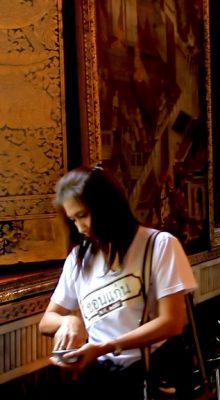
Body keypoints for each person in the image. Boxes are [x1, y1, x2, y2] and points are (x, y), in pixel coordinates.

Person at [38, 166, 198, 399]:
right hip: (102, 378)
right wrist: (68, 322)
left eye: (83, 215)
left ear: (106, 206)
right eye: (73, 220)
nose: (80, 228)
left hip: (152, 375)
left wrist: (107, 346)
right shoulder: (79, 260)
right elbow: (46, 321)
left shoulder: (159, 245)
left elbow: (172, 322)